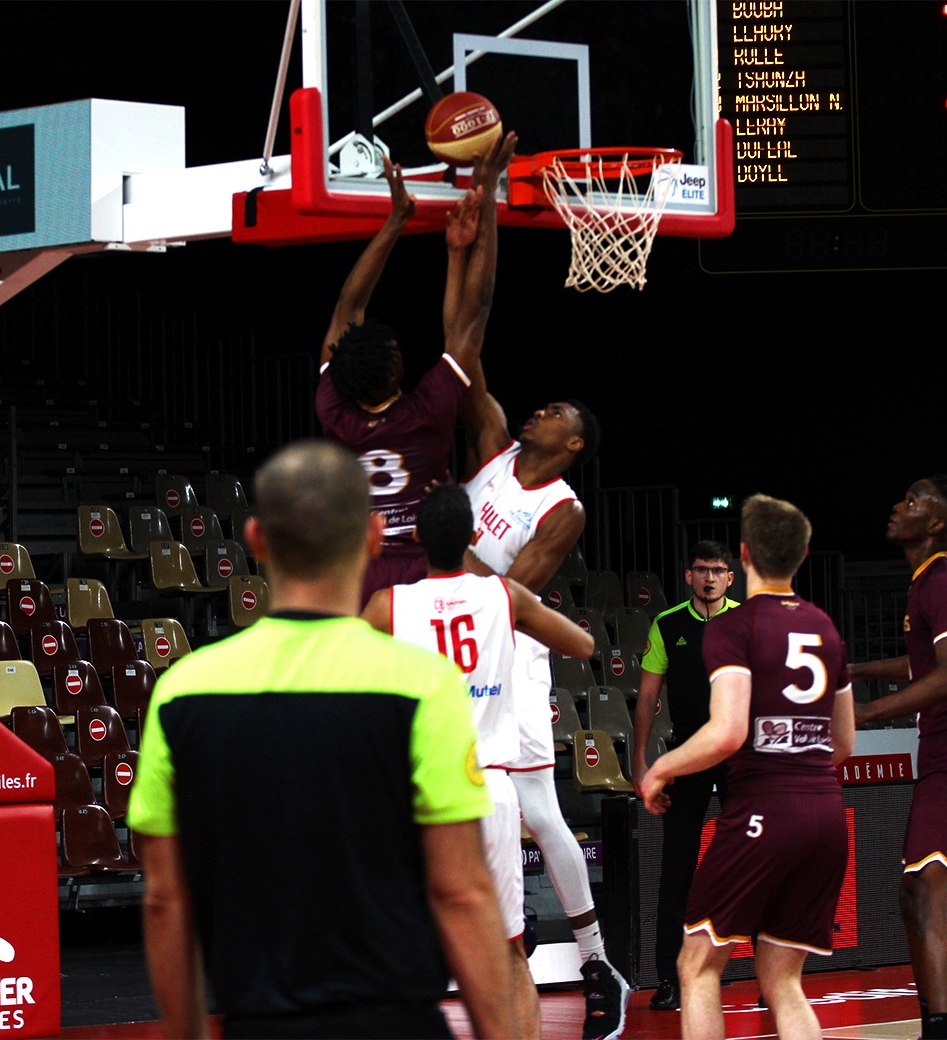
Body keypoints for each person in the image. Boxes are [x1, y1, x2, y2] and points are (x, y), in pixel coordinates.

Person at [127, 441, 517, 1040]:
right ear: (374, 537)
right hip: (396, 1024)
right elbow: (461, 891)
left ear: (256, 539)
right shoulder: (421, 684)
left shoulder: (182, 692)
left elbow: (164, 900)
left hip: (262, 1025)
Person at [449, 156, 623, 1037]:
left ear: (575, 443)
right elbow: (464, 352)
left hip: (508, 649)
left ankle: (595, 963)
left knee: (539, 811)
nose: (539, 410)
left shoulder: (564, 508)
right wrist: (476, 239)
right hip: (452, 633)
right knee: (464, 799)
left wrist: (449, 568)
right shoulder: (491, 439)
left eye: (557, 409)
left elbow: (517, 592)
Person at [362, 484, 597, 1040]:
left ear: (415, 536)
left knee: (400, 950)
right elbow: (583, 648)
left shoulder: (387, 606)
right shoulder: (504, 596)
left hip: (418, 790)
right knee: (509, 949)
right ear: (473, 537)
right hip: (487, 787)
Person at [641, 494, 855, 1040]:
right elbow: (844, 743)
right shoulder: (826, 626)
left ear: (742, 557)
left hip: (764, 805)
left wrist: (659, 766)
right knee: (784, 981)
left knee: (697, 966)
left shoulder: (735, 628)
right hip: (826, 812)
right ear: (804, 553)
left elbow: (728, 731)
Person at [315, 133, 516, 605]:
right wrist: (487, 198)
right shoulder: (426, 411)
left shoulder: (334, 412)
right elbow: (477, 308)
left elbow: (347, 309)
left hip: (360, 571)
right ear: (395, 368)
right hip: (426, 568)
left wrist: (395, 222)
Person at [852, 475, 947, 1040]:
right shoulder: (929, 581)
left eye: (912, 500)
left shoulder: (941, 579)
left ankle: (945, 1030)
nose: (898, 504)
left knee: (933, 891)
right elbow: (930, 662)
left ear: (937, 524)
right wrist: (861, 671)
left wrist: (867, 714)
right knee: (914, 894)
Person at [629, 540, 742, 1012]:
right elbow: (647, 698)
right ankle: (671, 979)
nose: (710, 577)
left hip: (740, 755)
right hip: (689, 755)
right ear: (689, 575)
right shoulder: (668, 622)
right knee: (676, 867)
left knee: (755, 861)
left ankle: (770, 974)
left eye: (718, 570)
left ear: (730, 578)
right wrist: (639, 763)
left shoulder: (746, 620)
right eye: (701, 569)